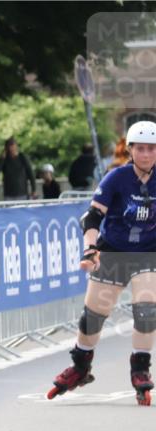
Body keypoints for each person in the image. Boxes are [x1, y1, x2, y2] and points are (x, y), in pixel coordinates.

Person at [48, 120, 156, 406]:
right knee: (93, 315)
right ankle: (81, 367)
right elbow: (93, 217)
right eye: (141, 149)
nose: (146, 154)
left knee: (146, 309)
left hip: (148, 252)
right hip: (113, 250)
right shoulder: (116, 178)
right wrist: (90, 248)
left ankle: (140, 369)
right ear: (131, 150)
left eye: (152, 149)